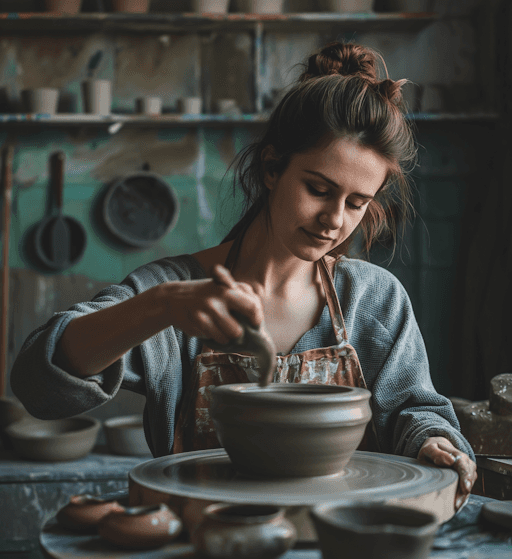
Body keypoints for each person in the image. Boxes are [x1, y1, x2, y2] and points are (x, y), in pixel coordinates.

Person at [11, 42, 477, 510]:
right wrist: (161, 307)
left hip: (338, 553)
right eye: (318, 189)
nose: (334, 220)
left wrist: (432, 441)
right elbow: (39, 388)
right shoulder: (176, 293)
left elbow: (416, 411)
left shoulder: (373, 299)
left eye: (356, 203)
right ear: (273, 167)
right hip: (206, 552)